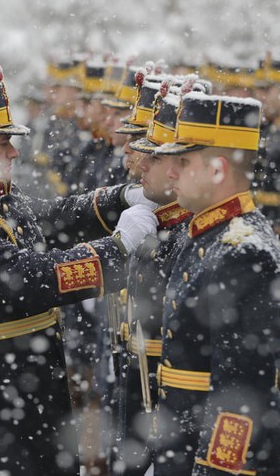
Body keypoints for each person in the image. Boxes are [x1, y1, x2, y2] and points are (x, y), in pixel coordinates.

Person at [0, 60, 159, 475]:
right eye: (1, 142)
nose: (13, 151)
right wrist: (115, 248)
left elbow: (52, 216)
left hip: (19, 395)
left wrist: (121, 197)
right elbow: (24, 277)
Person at [152, 92, 280, 474]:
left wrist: (216, 469)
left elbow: (242, 394)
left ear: (218, 170)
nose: (170, 172)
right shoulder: (207, 233)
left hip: (201, 455)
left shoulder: (243, 252)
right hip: (180, 444)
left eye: (182, 161)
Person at [111, 81, 194, 474]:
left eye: (153, 157)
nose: (137, 163)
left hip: (166, 391)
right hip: (141, 372)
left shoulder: (188, 234)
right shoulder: (158, 221)